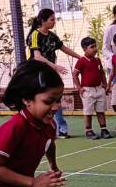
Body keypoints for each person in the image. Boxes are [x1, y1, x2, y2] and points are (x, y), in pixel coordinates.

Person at [27, 8, 80, 139]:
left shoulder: (52, 36)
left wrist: (81, 58)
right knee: (39, 99)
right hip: (36, 72)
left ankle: (60, 129)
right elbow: (37, 57)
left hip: (49, 72)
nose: (54, 22)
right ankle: (35, 127)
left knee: (56, 98)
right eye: (52, 20)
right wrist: (55, 67)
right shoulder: (35, 35)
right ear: (43, 21)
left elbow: (63, 48)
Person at [72, 37, 111, 140]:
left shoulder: (97, 60)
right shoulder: (81, 61)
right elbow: (75, 74)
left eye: (95, 46)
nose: (95, 49)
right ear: (85, 49)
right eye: (92, 47)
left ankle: (103, 129)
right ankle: (88, 130)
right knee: (88, 111)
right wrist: (80, 88)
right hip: (87, 90)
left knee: (101, 110)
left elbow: (101, 72)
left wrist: (105, 84)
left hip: (99, 89)